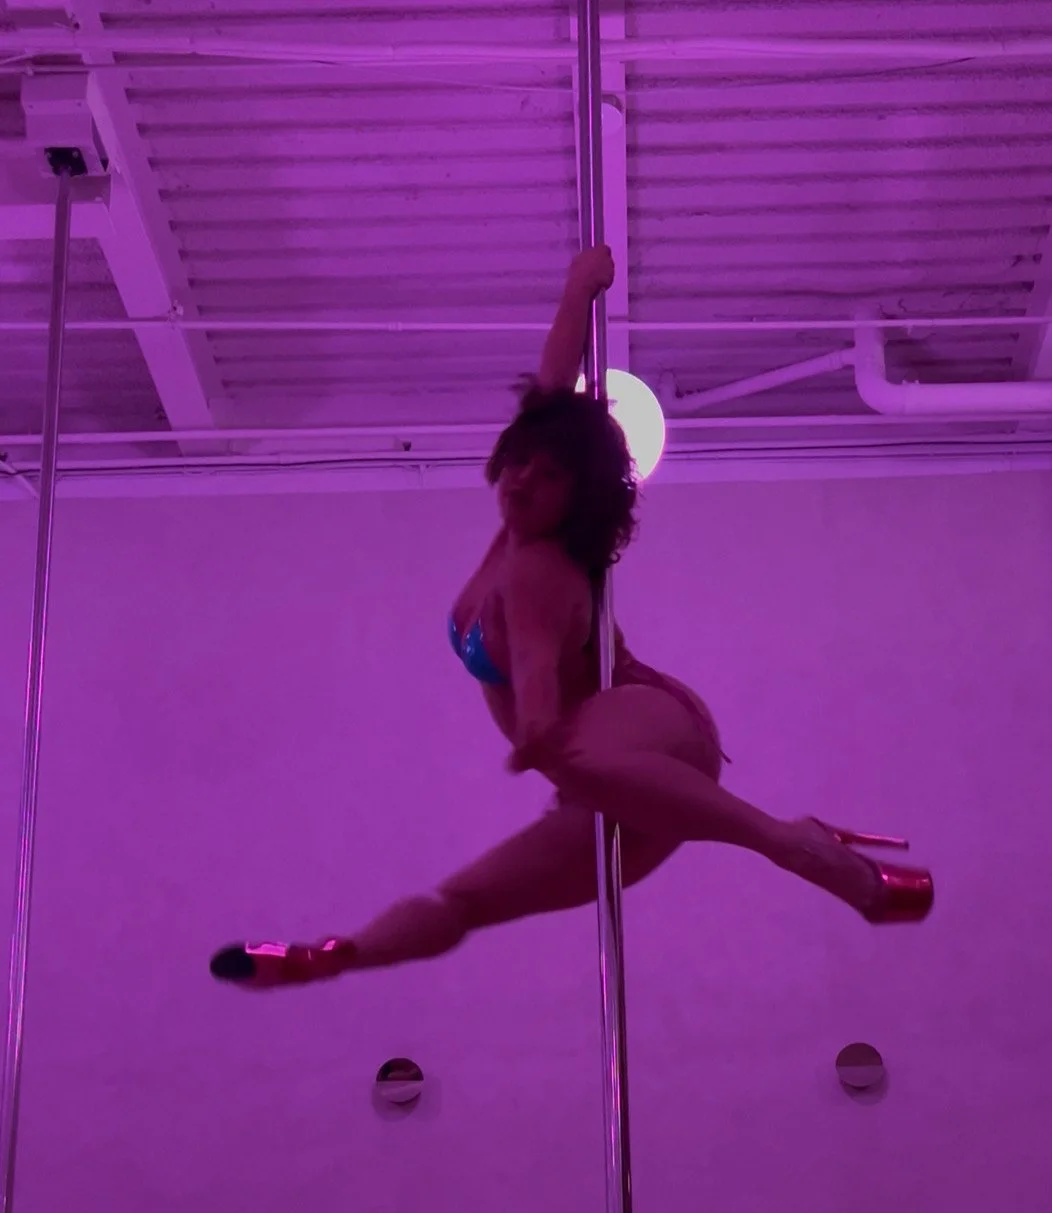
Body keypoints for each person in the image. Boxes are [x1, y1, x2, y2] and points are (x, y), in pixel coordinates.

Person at [210, 245, 932, 991]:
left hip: (653, 729)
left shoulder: (538, 574)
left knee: (570, 755)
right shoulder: (515, 531)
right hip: (611, 787)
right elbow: (552, 383)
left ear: (575, 500)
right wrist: (577, 288)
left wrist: (534, 733)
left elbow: (535, 682)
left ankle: (787, 842)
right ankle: (329, 957)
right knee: (463, 902)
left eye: (549, 476)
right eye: (522, 460)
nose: (522, 479)